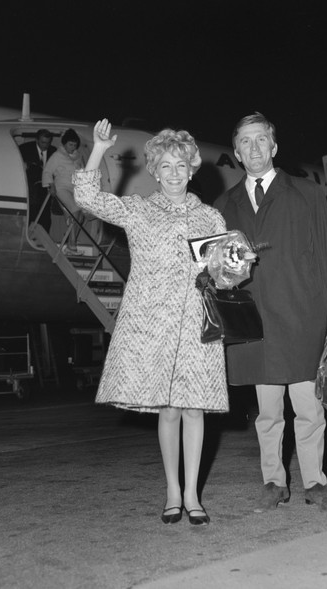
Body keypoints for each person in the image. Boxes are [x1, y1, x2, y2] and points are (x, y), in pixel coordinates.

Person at [73, 119, 229, 526]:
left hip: (197, 321)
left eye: (182, 166)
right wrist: (98, 149)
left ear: (192, 170)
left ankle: (194, 495)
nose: (174, 173)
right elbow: (87, 196)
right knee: (169, 411)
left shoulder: (211, 218)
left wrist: (235, 264)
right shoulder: (139, 210)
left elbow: (224, 276)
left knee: (195, 409)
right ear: (154, 171)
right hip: (152, 322)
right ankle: (172, 492)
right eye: (166, 166)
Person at [214, 112, 327, 514]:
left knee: (309, 408)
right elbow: (216, 267)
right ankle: (274, 482)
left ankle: (315, 483)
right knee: (268, 412)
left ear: (274, 148)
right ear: (237, 153)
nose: (254, 148)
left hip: (302, 312)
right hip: (254, 319)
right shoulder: (224, 205)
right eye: (245, 142)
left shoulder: (308, 194)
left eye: (261, 140)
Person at [43, 128, 86, 254]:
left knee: (80, 217)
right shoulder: (57, 156)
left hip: (75, 189)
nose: (72, 147)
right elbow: (47, 171)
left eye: (74, 145)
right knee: (75, 211)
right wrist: (50, 186)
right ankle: (72, 245)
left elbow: (82, 173)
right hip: (61, 188)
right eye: (70, 145)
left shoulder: (78, 157)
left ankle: (70, 242)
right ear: (64, 143)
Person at [19, 129, 56, 231]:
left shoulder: (54, 152)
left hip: (46, 190)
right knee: (32, 215)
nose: (45, 146)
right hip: (30, 190)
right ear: (37, 140)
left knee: (45, 217)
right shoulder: (24, 149)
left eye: (48, 143)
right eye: (43, 142)